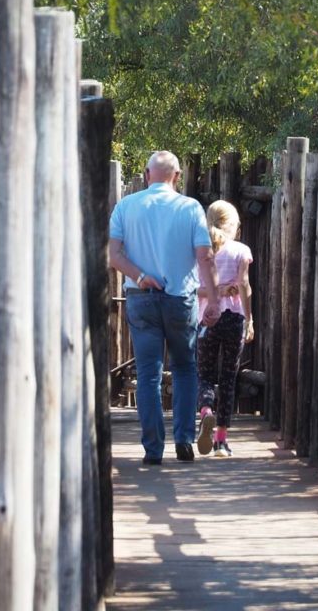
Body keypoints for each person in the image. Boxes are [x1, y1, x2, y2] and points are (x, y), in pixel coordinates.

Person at [108, 151, 221, 465]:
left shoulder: (125, 207)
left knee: (148, 374)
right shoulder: (189, 208)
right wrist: (213, 300)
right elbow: (205, 256)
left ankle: (153, 449)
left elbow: (114, 256)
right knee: (185, 369)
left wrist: (141, 276)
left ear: (146, 174)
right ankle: (184, 439)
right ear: (178, 176)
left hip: (140, 297)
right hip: (179, 299)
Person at [195, 200, 254, 458]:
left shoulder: (200, 251)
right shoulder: (241, 250)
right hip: (234, 318)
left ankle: (206, 411)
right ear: (233, 224)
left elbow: (193, 289)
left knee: (205, 374)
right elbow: (244, 285)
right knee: (229, 376)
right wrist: (249, 319)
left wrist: (213, 292)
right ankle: (221, 441)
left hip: (206, 319)